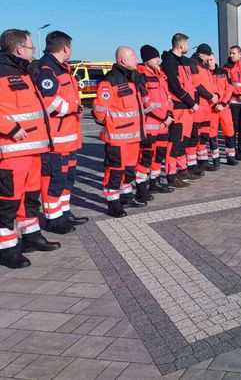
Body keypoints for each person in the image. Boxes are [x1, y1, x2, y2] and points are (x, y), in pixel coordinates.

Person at [0, 29, 60, 269]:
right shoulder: (2, 71)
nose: (34, 51)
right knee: (8, 204)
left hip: (33, 150)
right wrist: (10, 128)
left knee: (30, 198)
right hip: (12, 151)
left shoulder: (24, 71)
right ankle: (7, 249)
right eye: (30, 47)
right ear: (18, 49)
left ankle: (31, 236)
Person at [36, 30, 87, 234]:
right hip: (56, 140)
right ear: (66, 47)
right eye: (70, 47)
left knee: (67, 179)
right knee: (54, 181)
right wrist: (73, 109)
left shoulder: (62, 68)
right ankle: (53, 219)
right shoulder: (47, 69)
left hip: (70, 138)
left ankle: (64, 212)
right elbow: (49, 103)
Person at [92, 46, 147, 218]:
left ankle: (126, 196)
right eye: (133, 57)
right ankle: (113, 204)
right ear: (123, 60)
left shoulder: (133, 78)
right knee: (115, 171)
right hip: (117, 138)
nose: (136, 60)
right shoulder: (110, 81)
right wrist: (111, 124)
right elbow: (99, 110)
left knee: (129, 169)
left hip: (133, 136)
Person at [161, 33, 203, 185]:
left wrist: (191, 103)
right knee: (174, 142)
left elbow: (190, 84)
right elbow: (176, 87)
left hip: (187, 108)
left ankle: (182, 169)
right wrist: (192, 103)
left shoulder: (183, 62)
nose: (187, 47)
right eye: (186, 44)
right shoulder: (169, 63)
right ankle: (171, 175)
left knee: (183, 141)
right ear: (180, 45)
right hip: (179, 108)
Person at [136, 45, 178, 190]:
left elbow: (169, 98)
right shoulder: (141, 76)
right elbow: (146, 102)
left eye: (158, 57)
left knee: (159, 155)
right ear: (146, 59)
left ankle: (155, 181)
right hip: (151, 125)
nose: (158, 60)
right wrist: (164, 117)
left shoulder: (161, 75)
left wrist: (170, 115)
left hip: (164, 124)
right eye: (155, 57)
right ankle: (141, 186)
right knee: (146, 156)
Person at [190, 43, 220, 170]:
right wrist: (210, 96)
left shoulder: (203, 66)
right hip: (199, 106)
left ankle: (203, 161)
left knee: (203, 136)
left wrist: (216, 94)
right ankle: (193, 163)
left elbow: (210, 84)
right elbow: (197, 84)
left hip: (206, 106)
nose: (209, 58)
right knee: (195, 137)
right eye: (207, 55)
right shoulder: (193, 65)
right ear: (201, 54)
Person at [208, 54, 239, 166]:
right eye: (207, 60)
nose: (209, 62)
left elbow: (229, 88)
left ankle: (231, 157)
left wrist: (222, 103)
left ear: (215, 59)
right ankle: (215, 159)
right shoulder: (205, 73)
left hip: (224, 107)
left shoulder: (223, 72)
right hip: (211, 109)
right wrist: (213, 104)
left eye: (211, 60)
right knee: (212, 134)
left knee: (229, 132)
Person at [224, 45, 241, 159]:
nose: (231, 55)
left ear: (240, 54)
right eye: (230, 53)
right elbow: (228, 84)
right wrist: (238, 94)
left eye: (233, 53)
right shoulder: (227, 67)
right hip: (234, 102)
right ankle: (233, 151)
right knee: (233, 128)